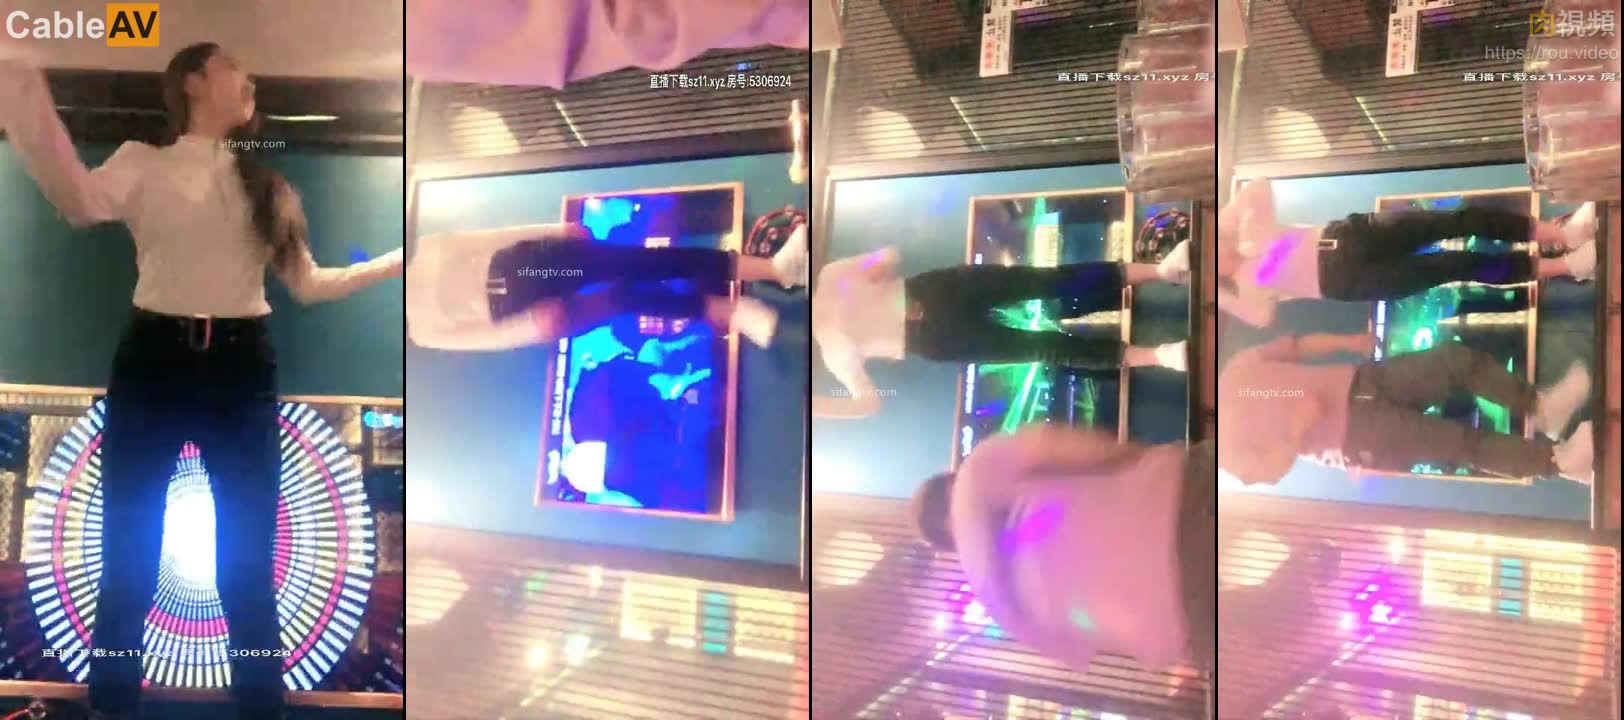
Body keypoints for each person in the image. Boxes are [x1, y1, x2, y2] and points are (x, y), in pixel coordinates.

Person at [1, 46, 403, 720]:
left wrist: (394, 262)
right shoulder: (142, 162)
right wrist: (26, 105)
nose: (249, 78)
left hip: (241, 369)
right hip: (153, 359)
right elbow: (77, 201)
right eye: (231, 67)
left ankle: (260, 708)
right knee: (128, 552)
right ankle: (112, 708)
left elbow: (308, 284)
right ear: (192, 81)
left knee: (247, 561)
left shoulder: (266, 186)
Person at [910, 425, 1215, 672]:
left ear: (949, 546)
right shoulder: (977, 471)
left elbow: (1086, 647)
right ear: (949, 480)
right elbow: (1074, 446)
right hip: (1175, 504)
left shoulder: (999, 610)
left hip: (1179, 622)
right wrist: (1143, 458)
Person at [812, 239, 1191, 419]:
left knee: (1048, 284)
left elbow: (888, 255)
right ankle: (1160, 355)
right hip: (932, 331)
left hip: (932, 297)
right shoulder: (834, 348)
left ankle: (1162, 272)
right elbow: (870, 402)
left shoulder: (831, 284)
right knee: (1044, 341)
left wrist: (879, 276)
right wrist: (823, 408)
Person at [1217, 332, 1594, 486]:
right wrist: (1297, 430)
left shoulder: (1236, 371)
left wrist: (1348, 341)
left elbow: (1295, 347)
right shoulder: (1225, 451)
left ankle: (1541, 408)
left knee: (1452, 361)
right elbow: (1267, 473)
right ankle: (1557, 461)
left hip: (1365, 380)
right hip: (1358, 435)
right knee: (1461, 444)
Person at [1217, 178, 1598, 327]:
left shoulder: (1242, 230)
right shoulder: (1239, 290)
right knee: (1457, 264)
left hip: (1349, 234)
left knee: (1455, 220)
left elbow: (1259, 185)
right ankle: (1567, 266)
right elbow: (1262, 317)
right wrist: (1223, 290)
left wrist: (1234, 225)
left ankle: (1562, 233)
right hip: (1345, 280)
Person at [406, 222, 806, 350]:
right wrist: (531, 327)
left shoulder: (423, 250)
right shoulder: (422, 332)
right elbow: (483, 339)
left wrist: (554, 231)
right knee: (620, 300)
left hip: (528, 265)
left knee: (644, 263)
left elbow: (492, 238)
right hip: (517, 309)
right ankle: (729, 311)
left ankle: (775, 269)